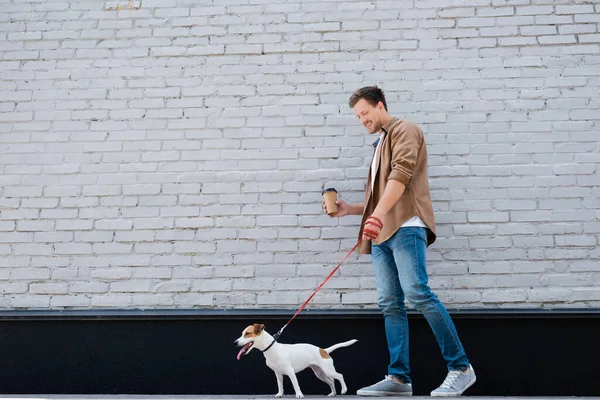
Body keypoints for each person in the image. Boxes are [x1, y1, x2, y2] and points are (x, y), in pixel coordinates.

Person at [323, 86, 476, 397]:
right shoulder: (379, 144)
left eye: (365, 113)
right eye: (358, 116)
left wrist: (375, 216)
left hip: (406, 226)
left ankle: (461, 368)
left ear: (380, 106)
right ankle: (398, 379)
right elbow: (379, 195)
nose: (362, 120)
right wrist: (352, 210)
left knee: (418, 293)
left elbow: (401, 175)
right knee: (390, 304)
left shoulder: (405, 129)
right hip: (382, 233)